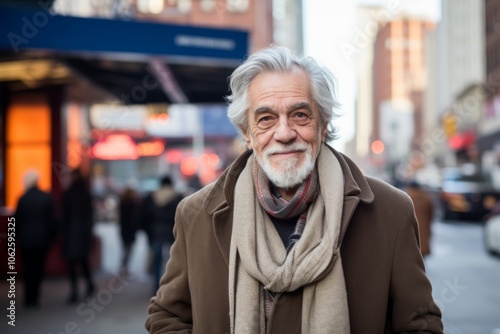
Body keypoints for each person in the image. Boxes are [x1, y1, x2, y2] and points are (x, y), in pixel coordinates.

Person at [145, 46, 443, 333]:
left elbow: (420, 325)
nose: (284, 133)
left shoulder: (390, 212)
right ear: (247, 134)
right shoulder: (197, 214)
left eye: (300, 115)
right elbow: (167, 316)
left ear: (323, 125)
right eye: (266, 119)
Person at [14, 170, 58, 308]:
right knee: (38, 269)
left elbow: (16, 221)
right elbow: (53, 221)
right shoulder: (46, 198)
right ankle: (35, 297)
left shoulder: (22, 199)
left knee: (27, 269)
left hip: (26, 240)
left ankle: (28, 298)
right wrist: (52, 238)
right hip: (41, 239)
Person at [140, 175, 184, 293]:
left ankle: (156, 286)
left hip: (156, 232)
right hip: (172, 232)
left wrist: (147, 232)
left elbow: (144, 216)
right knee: (175, 260)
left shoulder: (151, 197)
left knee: (157, 260)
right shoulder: (178, 197)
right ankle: (173, 287)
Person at [61, 168, 96, 304]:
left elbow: (64, 216)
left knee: (72, 264)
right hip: (83, 233)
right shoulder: (86, 193)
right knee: (83, 261)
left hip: (71, 233)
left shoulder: (68, 194)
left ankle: (74, 291)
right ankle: (89, 285)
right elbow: (90, 215)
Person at [404, 180, 435, 257]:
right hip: (423, 228)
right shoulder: (426, 198)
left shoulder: (405, 197)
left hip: (408, 228)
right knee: (421, 252)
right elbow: (431, 214)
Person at [118, 184, 140, 276]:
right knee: (128, 251)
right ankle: (124, 269)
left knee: (125, 250)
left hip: (123, 229)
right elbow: (134, 219)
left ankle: (123, 268)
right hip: (130, 230)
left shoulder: (122, 203)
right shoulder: (133, 204)